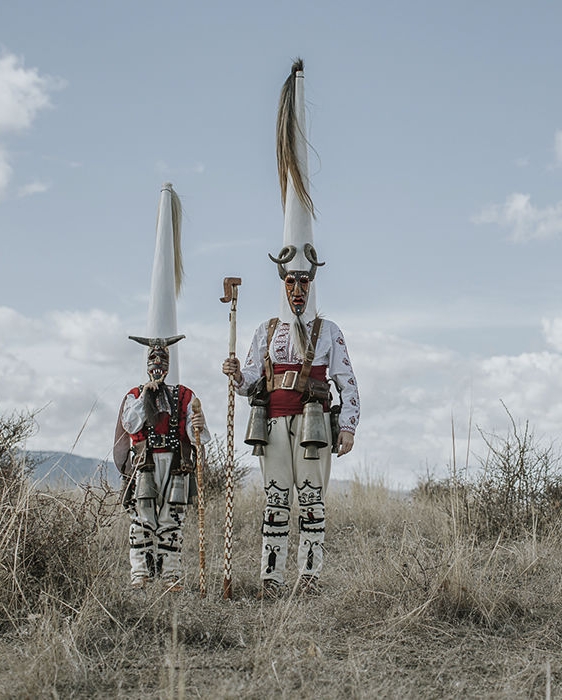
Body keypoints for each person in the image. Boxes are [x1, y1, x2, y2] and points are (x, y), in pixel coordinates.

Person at [222, 59, 359, 598]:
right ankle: (272, 577)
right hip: (275, 425)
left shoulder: (330, 331)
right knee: (276, 503)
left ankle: (310, 577)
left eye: (304, 280)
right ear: (282, 281)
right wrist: (236, 374)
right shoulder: (265, 331)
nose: (297, 288)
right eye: (290, 280)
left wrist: (349, 427)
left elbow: (348, 383)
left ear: (313, 279)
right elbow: (250, 382)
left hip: (316, 427)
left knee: (313, 504)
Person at [120, 335, 209, 590]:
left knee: (172, 519)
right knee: (142, 519)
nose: (158, 362)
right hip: (145, 462)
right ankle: (141, 573)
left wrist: (198, 425)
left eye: (163, 357)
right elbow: (130, 425)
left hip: (176, 463)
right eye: (153, 357)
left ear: (169, 363)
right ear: (147, 363)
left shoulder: (185, 395)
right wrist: (144, 397)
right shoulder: (134, 395)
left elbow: (197, 435)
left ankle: (171, 574)